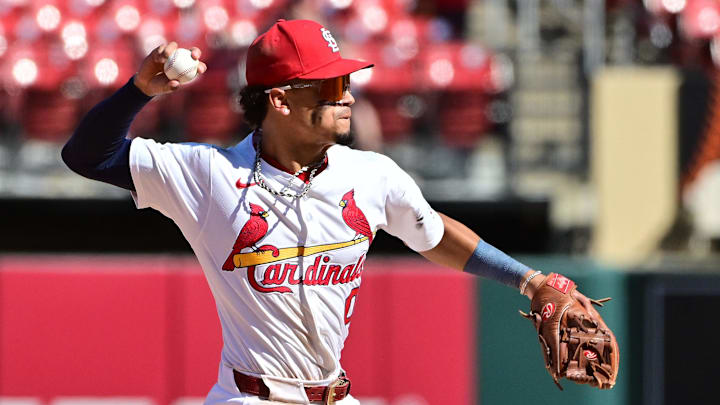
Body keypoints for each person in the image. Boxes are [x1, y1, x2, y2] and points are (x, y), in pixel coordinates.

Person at [62, 19, 604, 405]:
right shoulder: (208, 176)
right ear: (280, 99)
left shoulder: (370, 175)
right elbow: (88, 155)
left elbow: (434, 235)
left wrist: (529, 281)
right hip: (251, 395)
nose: (346, 95)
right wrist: (138, 91)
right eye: (331, 84)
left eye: (347, 81)